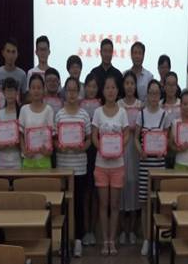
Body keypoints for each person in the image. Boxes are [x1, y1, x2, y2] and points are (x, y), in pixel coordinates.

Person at [92, 76, 130, 256]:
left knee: (115, 205)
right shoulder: (97, 112)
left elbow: (127, 134)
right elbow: (94, 136)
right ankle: (104, 240)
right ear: (103, 90)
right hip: (101, 164)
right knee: (103, 204)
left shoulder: (122, 112)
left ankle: (112, 241)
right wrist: (102, 148)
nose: (110, 91)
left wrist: (119, 147)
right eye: (107, 87)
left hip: (117, 164)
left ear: (117, 90)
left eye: (113, 87)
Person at [54, 77, 92, 257]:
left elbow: (89, 139)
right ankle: (64, 240)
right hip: (63, 166)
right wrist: (59, 146)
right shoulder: (59, 114)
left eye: (74, 90)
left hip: (79, 167)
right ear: (65, 92)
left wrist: (82, 147)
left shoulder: (84, 115)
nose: (71, 94)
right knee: (63, 206)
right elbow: (55, 139)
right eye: (68, 90)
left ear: (79, 93)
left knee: (78, 205)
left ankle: (77, 240)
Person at [136, 80, 170, 255]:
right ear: (147, 95)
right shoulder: (141, 114)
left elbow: (168, 139)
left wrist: (163, 149)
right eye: (151, 93)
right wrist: (140, 151)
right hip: (145, 165)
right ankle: (146, 239)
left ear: (160, 94)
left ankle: (156, 239)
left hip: (159, 165)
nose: (154, 96)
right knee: (144, 204)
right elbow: (135, 138)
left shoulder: (165, 115)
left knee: (157, 203)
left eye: (157, 93)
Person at [117, 71, 142, 246]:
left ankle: (132, 230)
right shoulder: (118, 105)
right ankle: (122, 231)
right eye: (127, 83)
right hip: (120, 148)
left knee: (134, 187)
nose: (130, 86)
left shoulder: (141, 105)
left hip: (136, 150)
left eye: (132, 83)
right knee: (121, 187)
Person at [80, 73, 102, 247]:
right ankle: (85, 229)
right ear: (85, 87)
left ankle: (93, 231)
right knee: (85, 194)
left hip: (98, 151)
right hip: (82, 152)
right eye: (89, 86)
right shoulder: (78, 105)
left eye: (94, 86)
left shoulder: (102, 106)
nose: (92, 89)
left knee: (95, 194)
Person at [19, 73, 54, 169]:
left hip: (44, 159)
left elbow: (52, 134)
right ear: (29, 90)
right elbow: (21, 134)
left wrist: (48, 151)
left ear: (43, 90)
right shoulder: (24, 109)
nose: (36, 91)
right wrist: (24, 151)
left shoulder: (49, 110)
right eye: (33, 88)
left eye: (39, 88)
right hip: (28, 159)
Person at [0, 37, 27, 109]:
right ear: (3, 53)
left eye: (13, 52)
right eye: (8, 51)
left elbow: (23, 99)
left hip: (16, 112)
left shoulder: (22, 74)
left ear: (17, 54)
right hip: (0, 113)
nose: (10, 55)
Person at [0, 77, 21, 169]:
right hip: (1, 159)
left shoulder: (21, 112)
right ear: (3, 92)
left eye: (12, 90)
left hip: (17, 158)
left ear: (17, 92)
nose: (10, 94)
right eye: (7, 91)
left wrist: (17, 143)